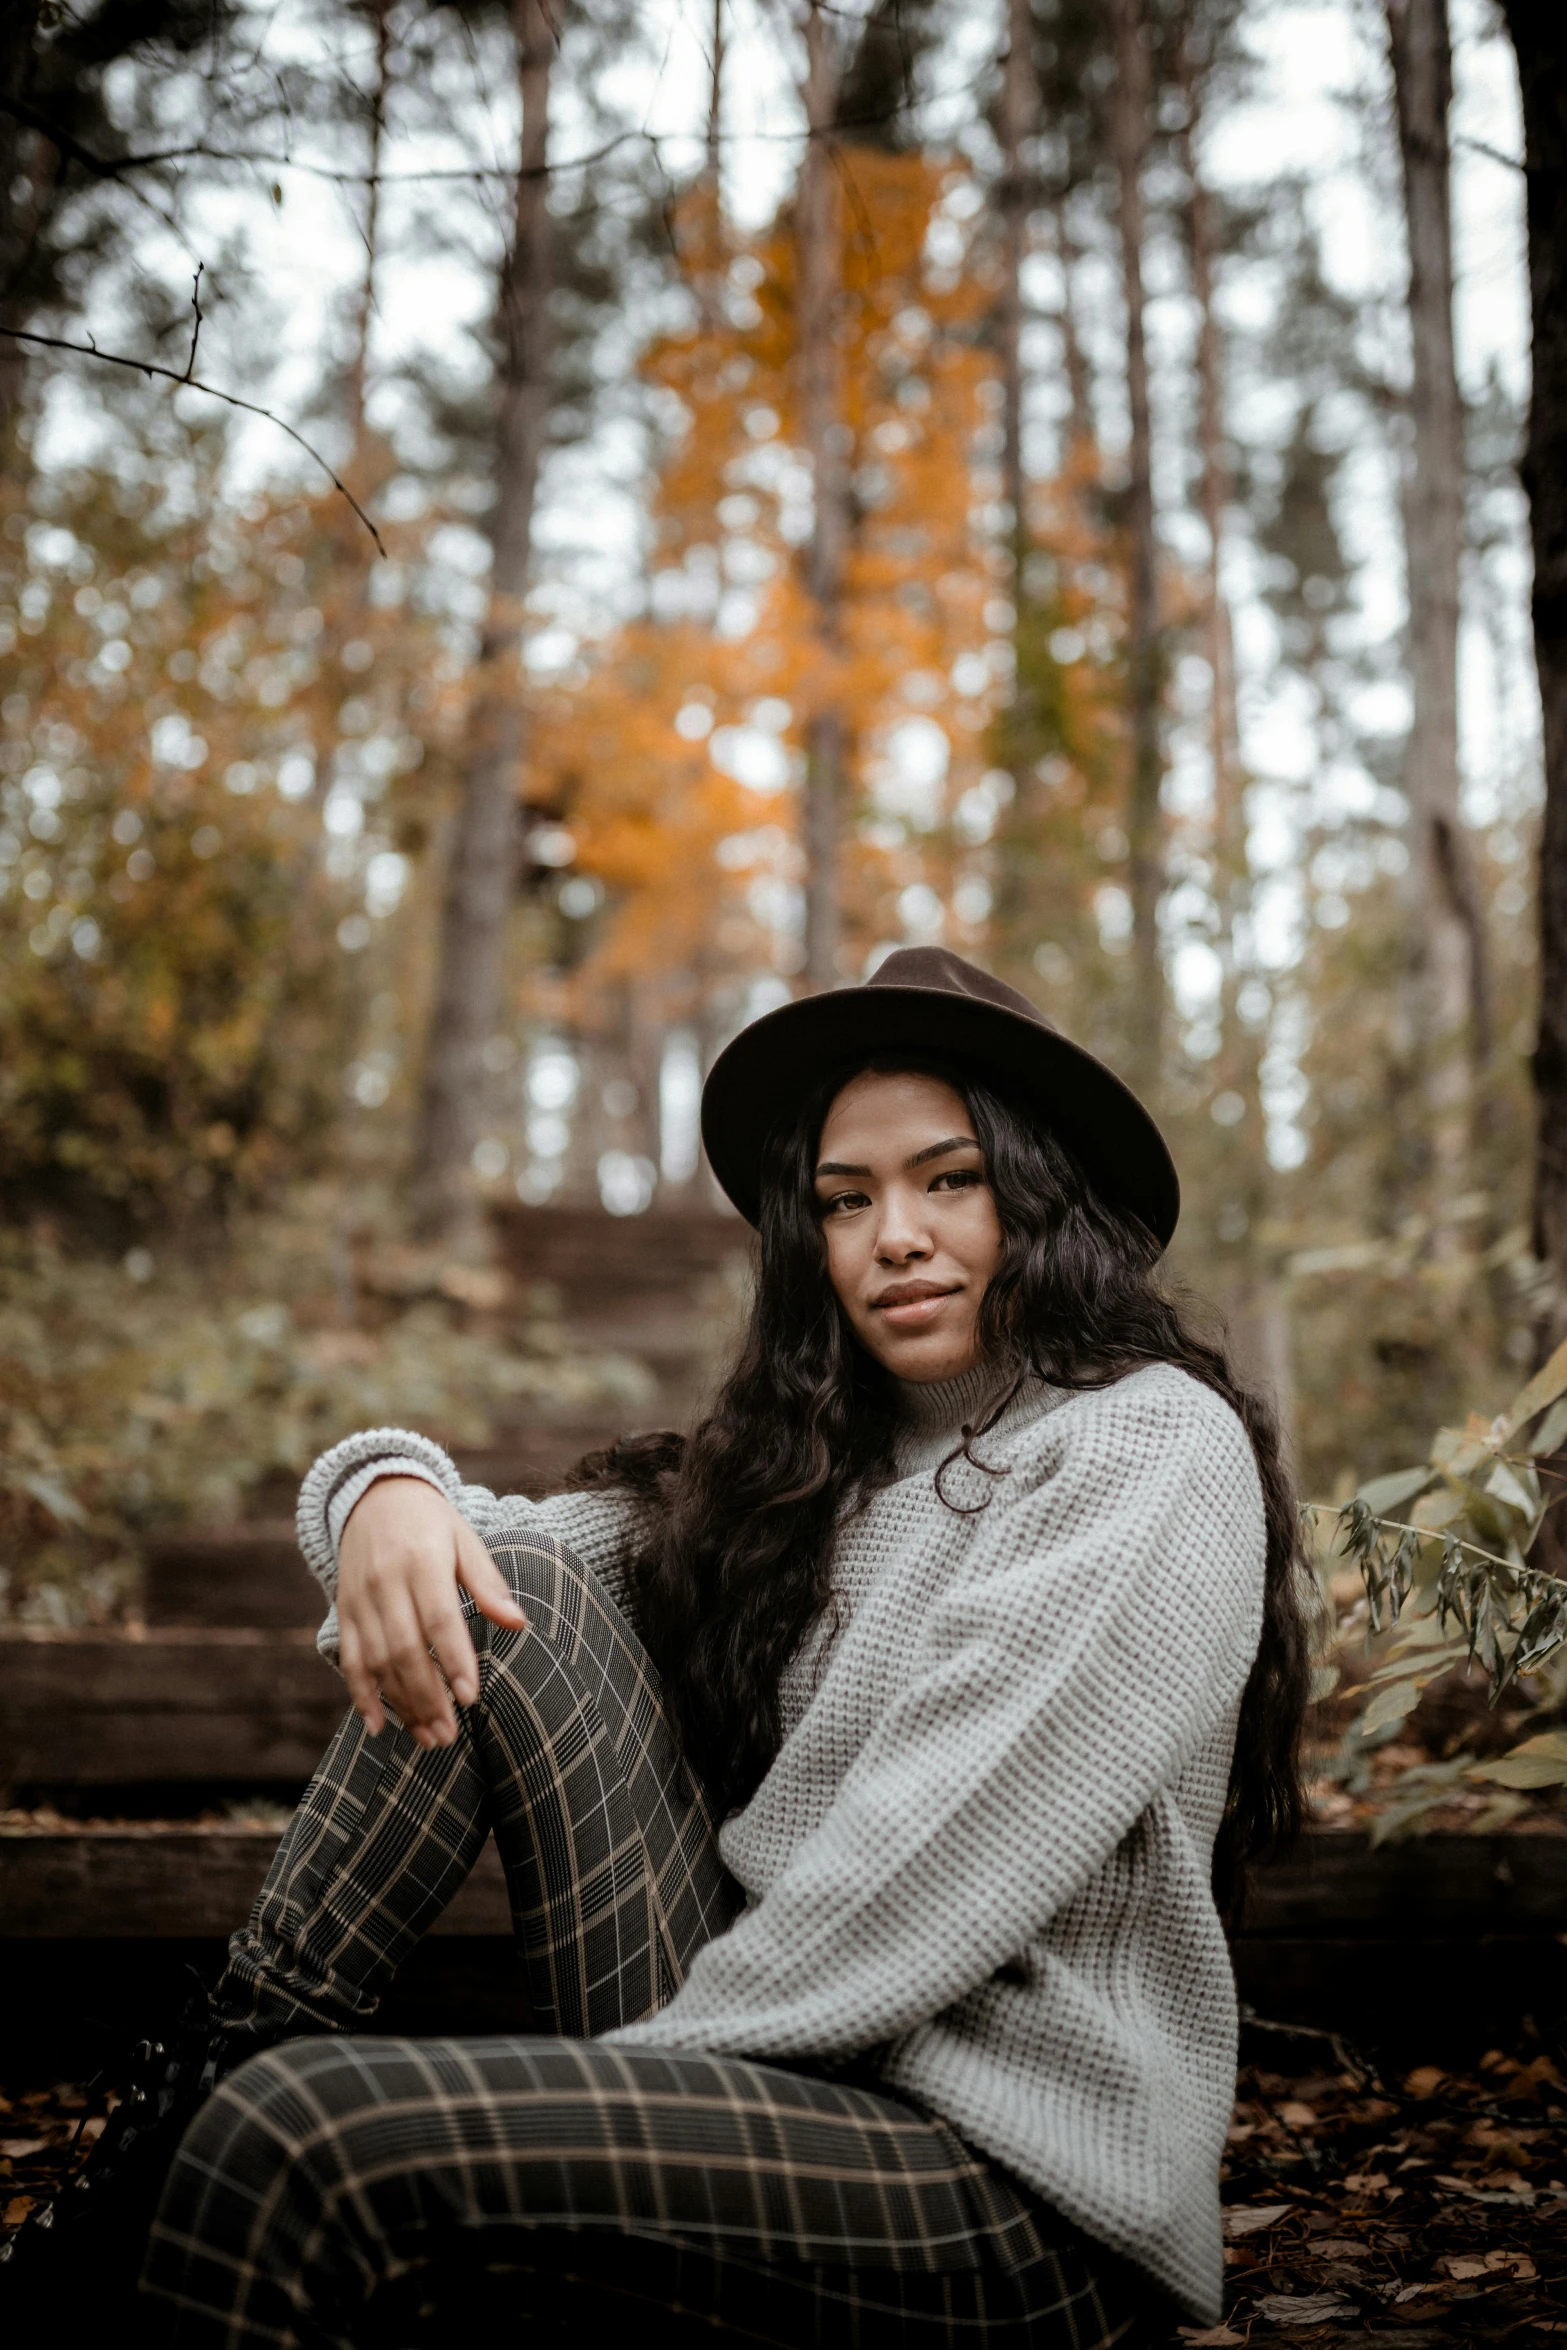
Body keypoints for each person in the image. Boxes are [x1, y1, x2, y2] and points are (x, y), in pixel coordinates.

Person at [5, 948, 1310, 2347]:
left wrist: (555, 2128)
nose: (895, 1236)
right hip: (768, 2078)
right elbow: (499, 1547)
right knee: (494, 1585)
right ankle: (185, 2104)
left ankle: (202, 2143)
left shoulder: (1143, 1445)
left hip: (1010, 2194)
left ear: (1043, 1188)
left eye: (950, 1178)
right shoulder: (803, 1471)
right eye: (843, 1199)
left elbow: (918, 1886)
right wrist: (381, 1489)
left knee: (293, 2136)